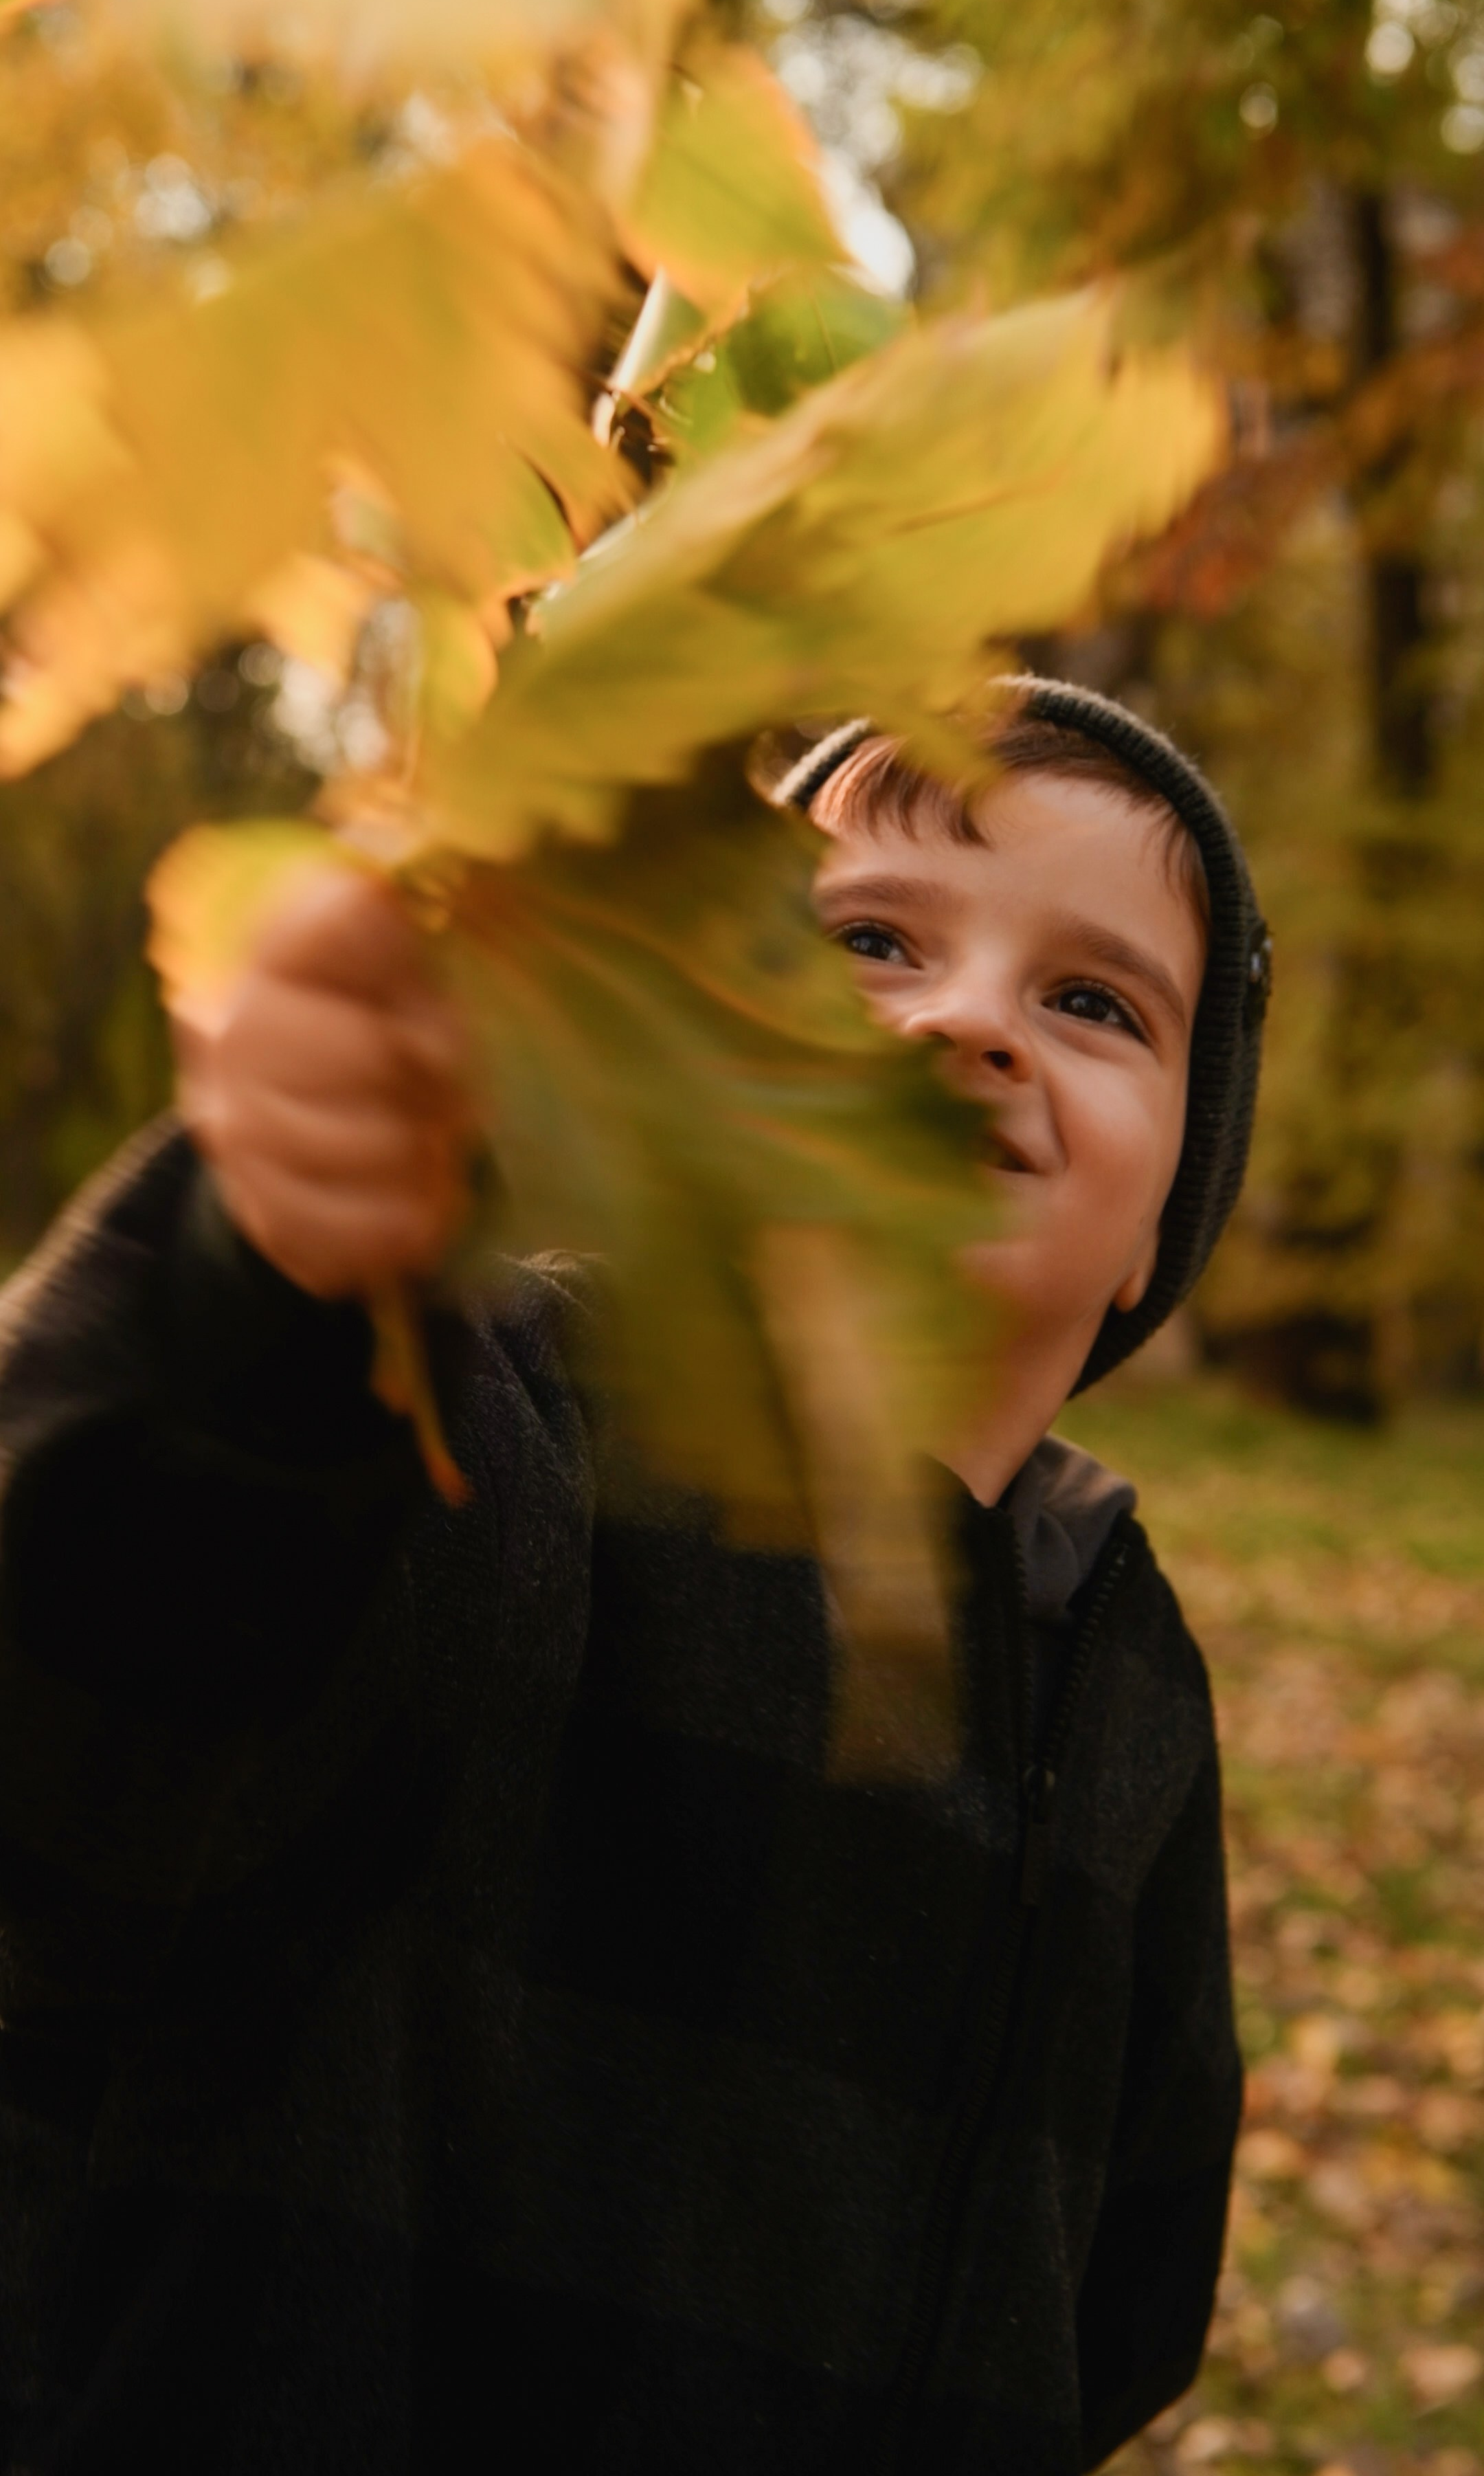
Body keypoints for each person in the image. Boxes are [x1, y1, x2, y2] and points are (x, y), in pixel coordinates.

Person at [0, 678, 1269, 2474]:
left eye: (1091, 1001)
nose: (971, 1022)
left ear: (1163, 1228)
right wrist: (260, 1282)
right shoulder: (479, 1435)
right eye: (871, 944)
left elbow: (1123, 2284)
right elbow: (100, 1677)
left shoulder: (1119, 1663)